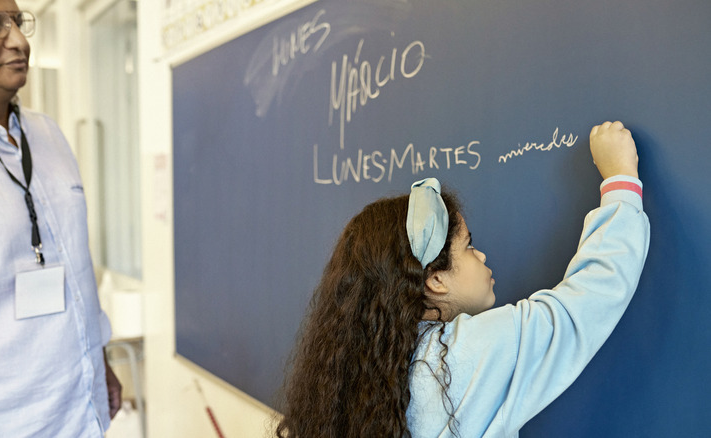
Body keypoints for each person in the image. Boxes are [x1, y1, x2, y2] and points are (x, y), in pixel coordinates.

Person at [276, 121, 649, 437]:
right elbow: (583, 305)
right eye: (469, 246)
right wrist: (620, 180)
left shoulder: (360, 371)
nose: (482, 256)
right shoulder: (465, 354)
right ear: (435, 280)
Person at [0, 1, 122, 436]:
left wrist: (100, 360)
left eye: (18, 22)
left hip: (81, 414)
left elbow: (75, 266)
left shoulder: (48, 134)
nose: (18, 40)